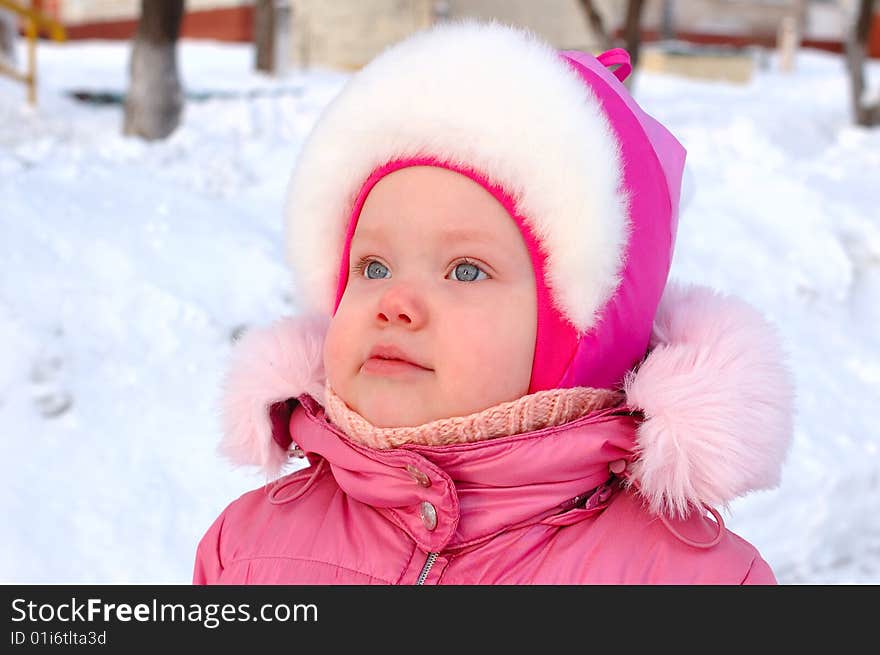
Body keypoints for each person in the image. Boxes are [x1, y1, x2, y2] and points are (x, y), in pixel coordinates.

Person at [193, 20, 794, 584]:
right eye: (373, 266)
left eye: (466, 270)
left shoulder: (687, 580)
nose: (395, 302)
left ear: (580, 335)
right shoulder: (249, 548)